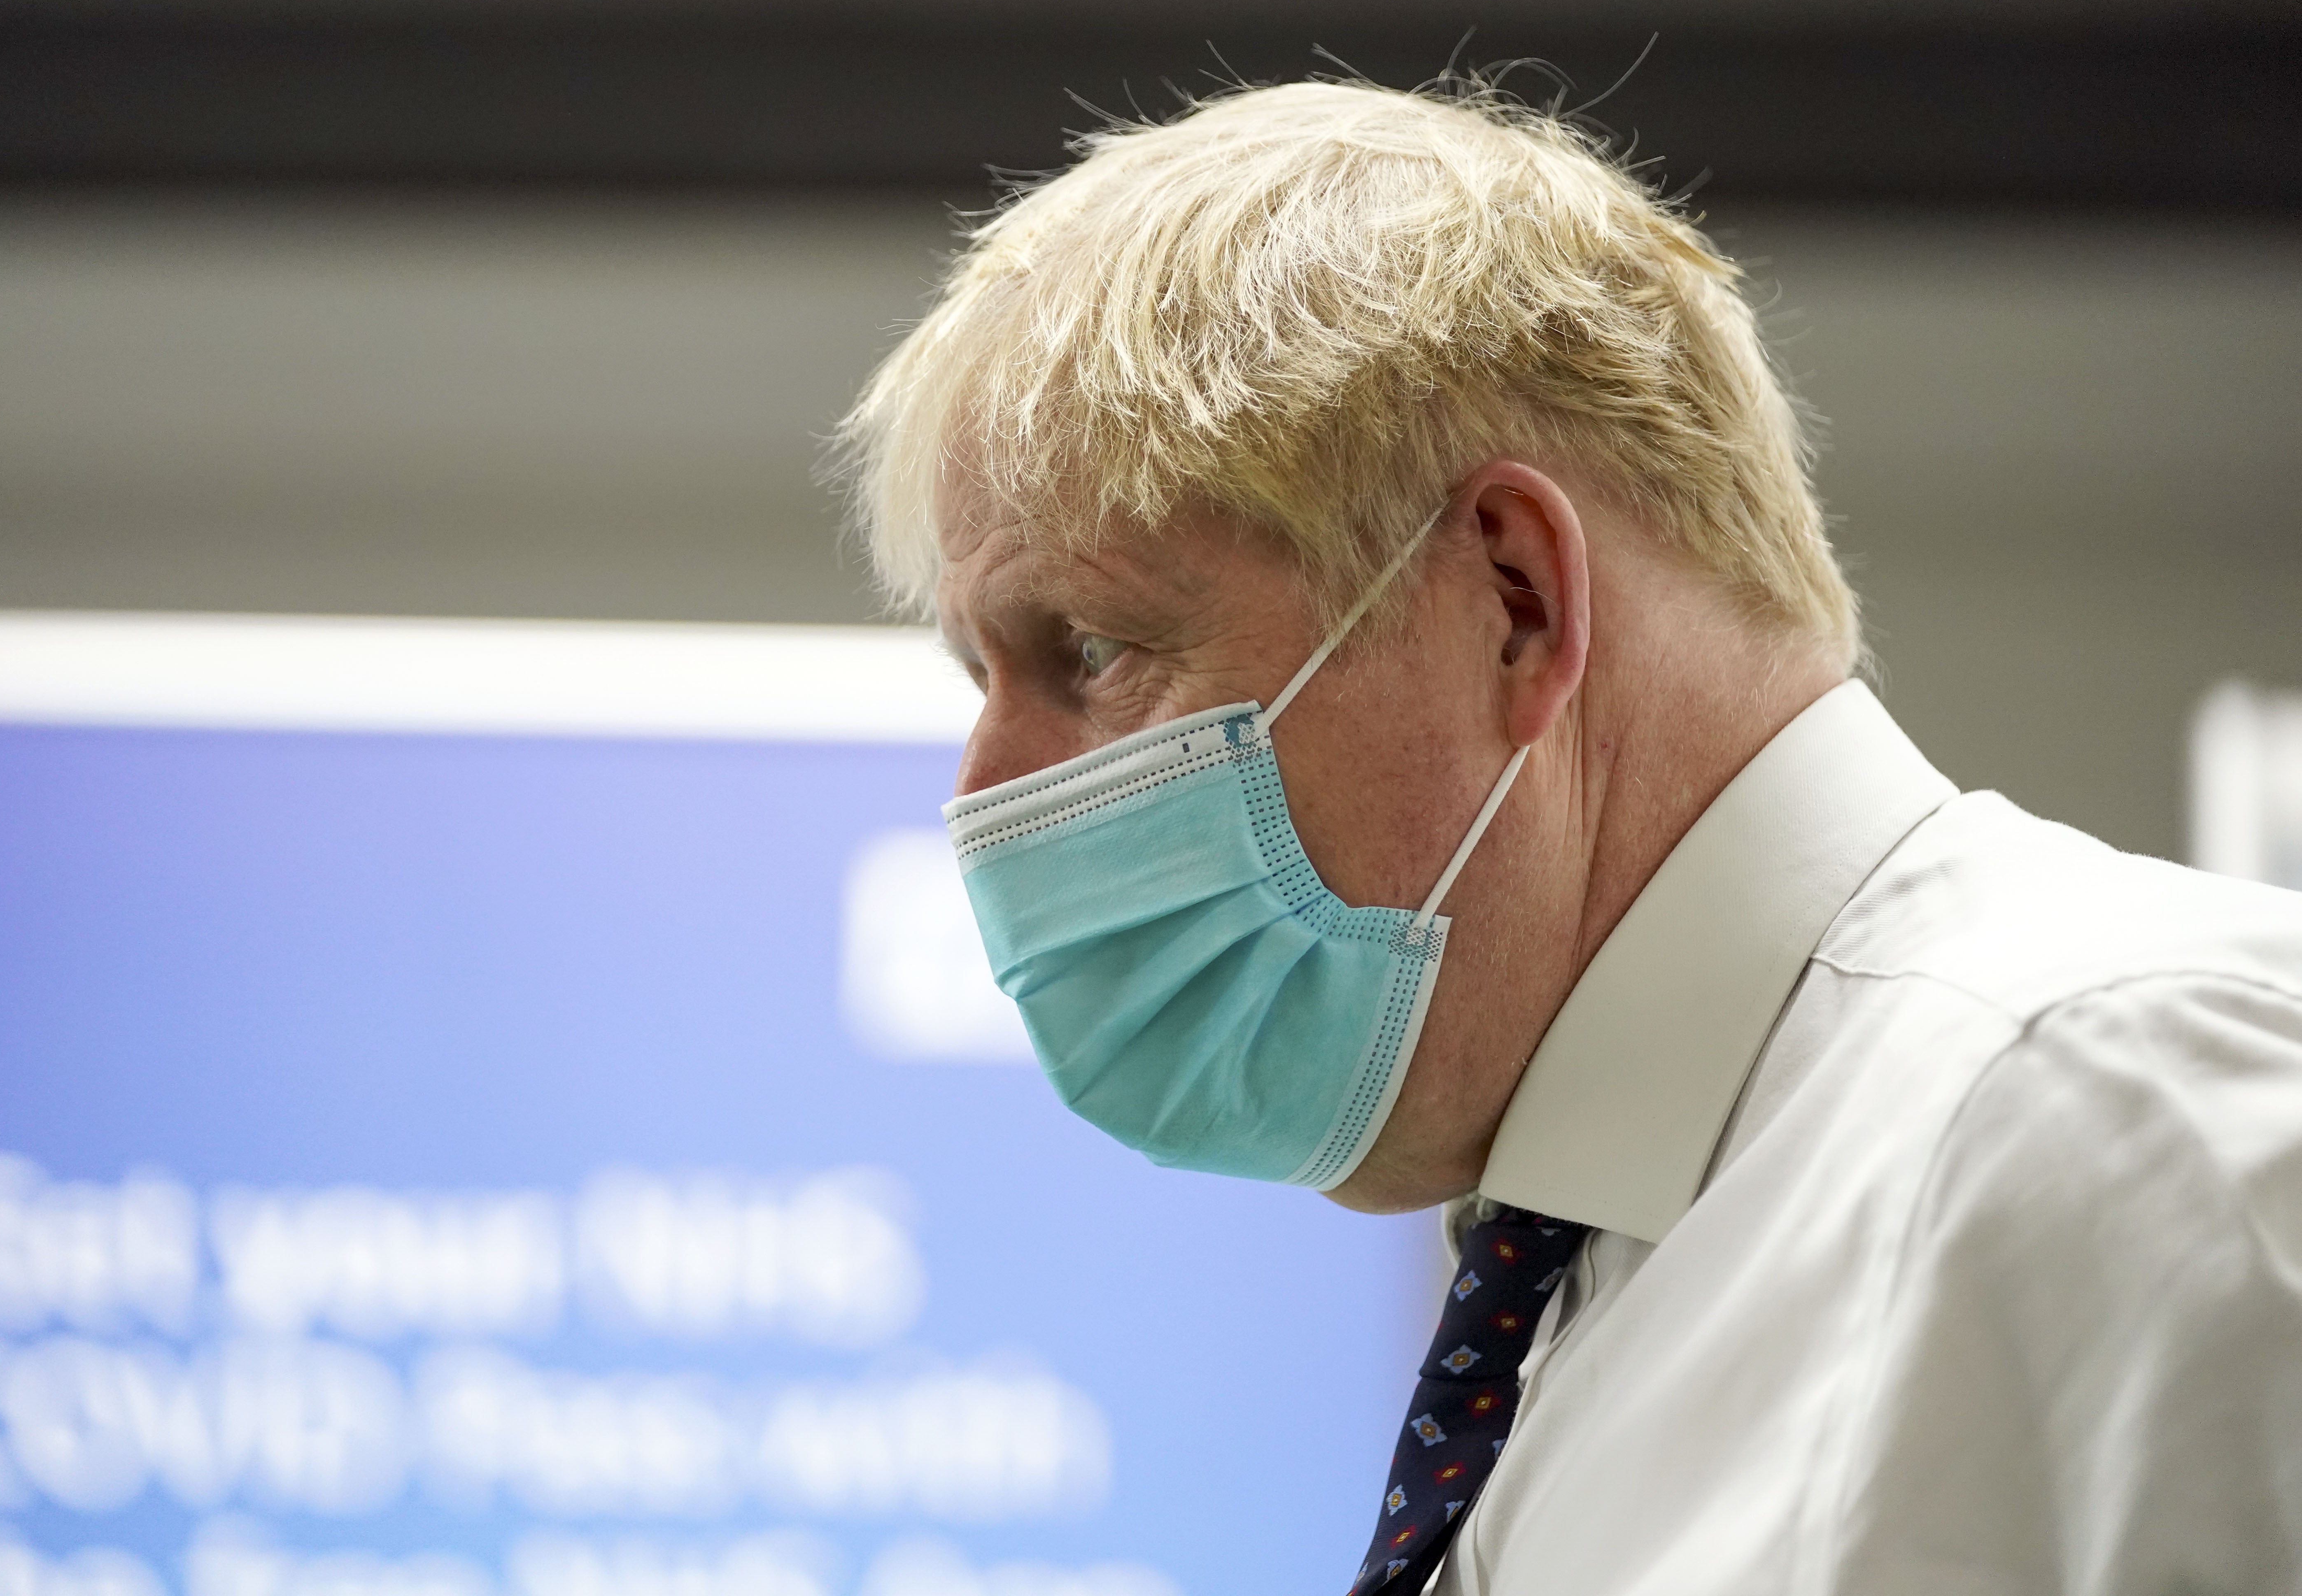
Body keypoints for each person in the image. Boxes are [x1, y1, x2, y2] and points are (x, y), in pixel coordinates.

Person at [832, 79, 2302, 1594]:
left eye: (1089, 646)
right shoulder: (1594, 1285)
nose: (985, 790)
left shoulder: (2130, 1129)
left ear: (1516, 600)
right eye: (979, 677)